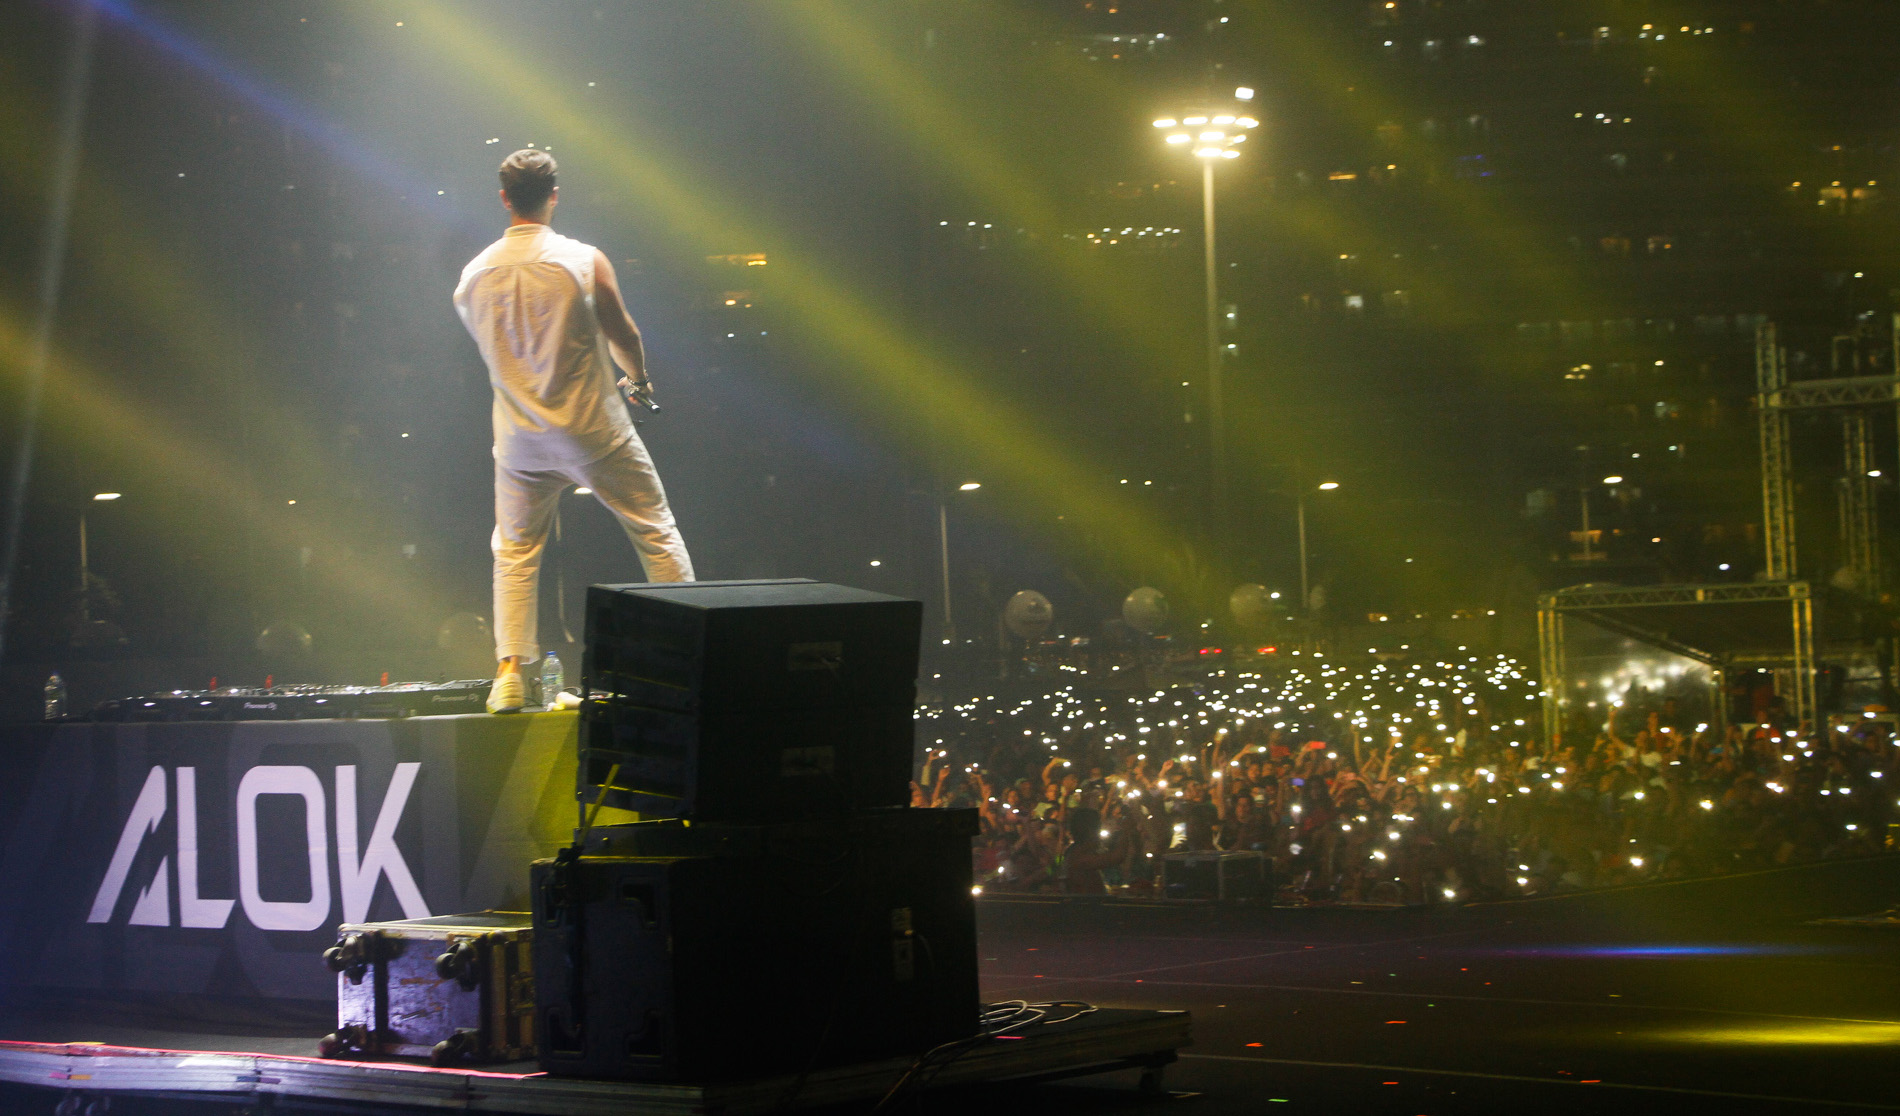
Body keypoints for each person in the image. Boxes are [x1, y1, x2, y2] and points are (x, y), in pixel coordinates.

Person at [454, 150, 694, 713]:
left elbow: (498, 351)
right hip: (594, 431)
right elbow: (623, 333)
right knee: (655, 529)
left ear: (505, 198)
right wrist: (639, 382)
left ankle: (510, 673)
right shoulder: (583, 261)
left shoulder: (472, 277)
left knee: (514, 551)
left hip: (521, 441)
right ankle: (689, 653)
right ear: (554, 194)